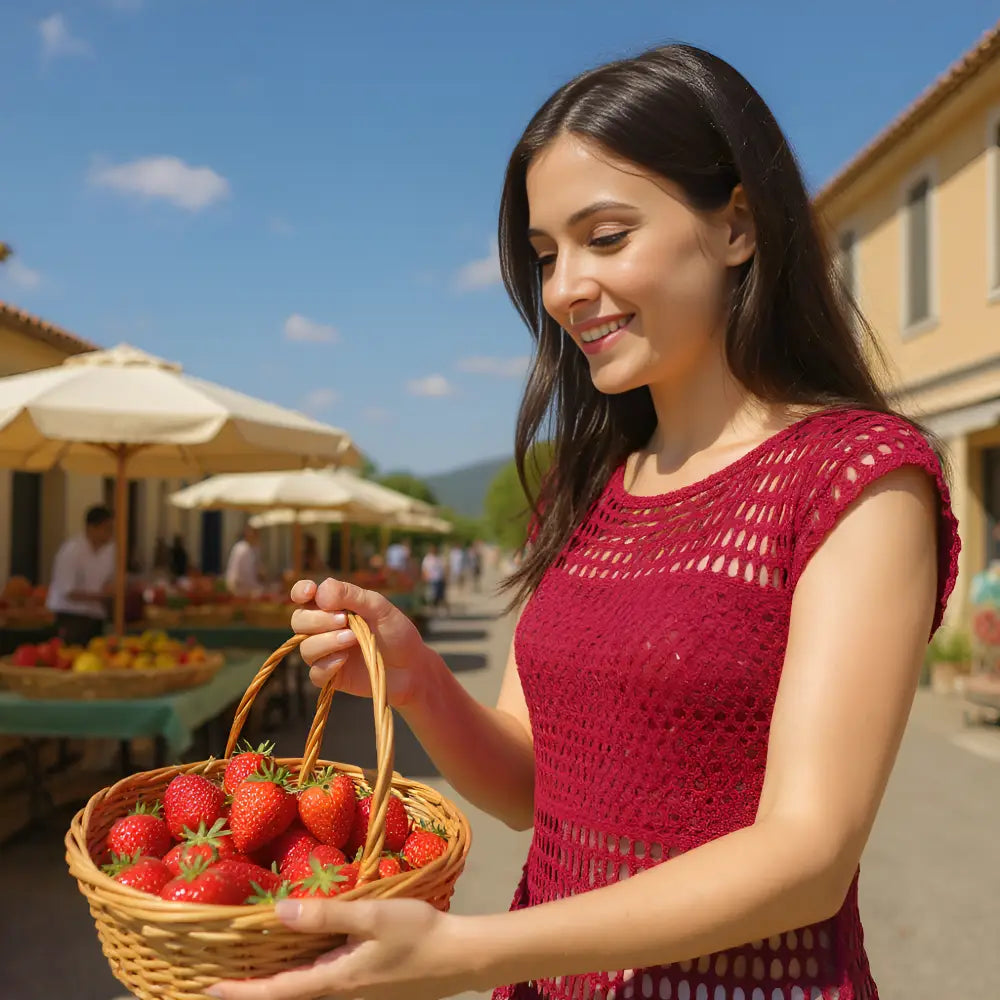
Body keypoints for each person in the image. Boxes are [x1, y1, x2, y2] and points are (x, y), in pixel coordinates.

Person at [208, 44, 960, 1000]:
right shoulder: (589, 480)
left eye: (604, 238)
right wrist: (418, 680)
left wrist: (466, 954)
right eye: (546, 255)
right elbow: (533, 788)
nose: (563, 288)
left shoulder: (853, 476)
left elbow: (807, 857)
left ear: (737, 225)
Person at [46, 504, 116, 647]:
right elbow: (68, 591)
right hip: (71, 615)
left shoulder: (111, 550)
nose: (111, 533)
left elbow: (111, 577)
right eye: (107, 528)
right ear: (91, 528)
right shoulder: (71, 551)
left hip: (96, 616)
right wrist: (102, 596)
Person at [224, 524, 261, 597]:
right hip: (240, 587)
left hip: (248, 587)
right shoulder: (241, 548)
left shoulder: (253, 549)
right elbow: (236, 569)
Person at [421, 543, 447, 612]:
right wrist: (425, 577)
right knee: (432, 594)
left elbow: (443, 568)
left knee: (440, 595)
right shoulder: (427, 558)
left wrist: (444, 577)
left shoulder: (440, 558)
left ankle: (439, 607)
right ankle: (432, 607)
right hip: (431, 579)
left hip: (439, 579)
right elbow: (424, 569)